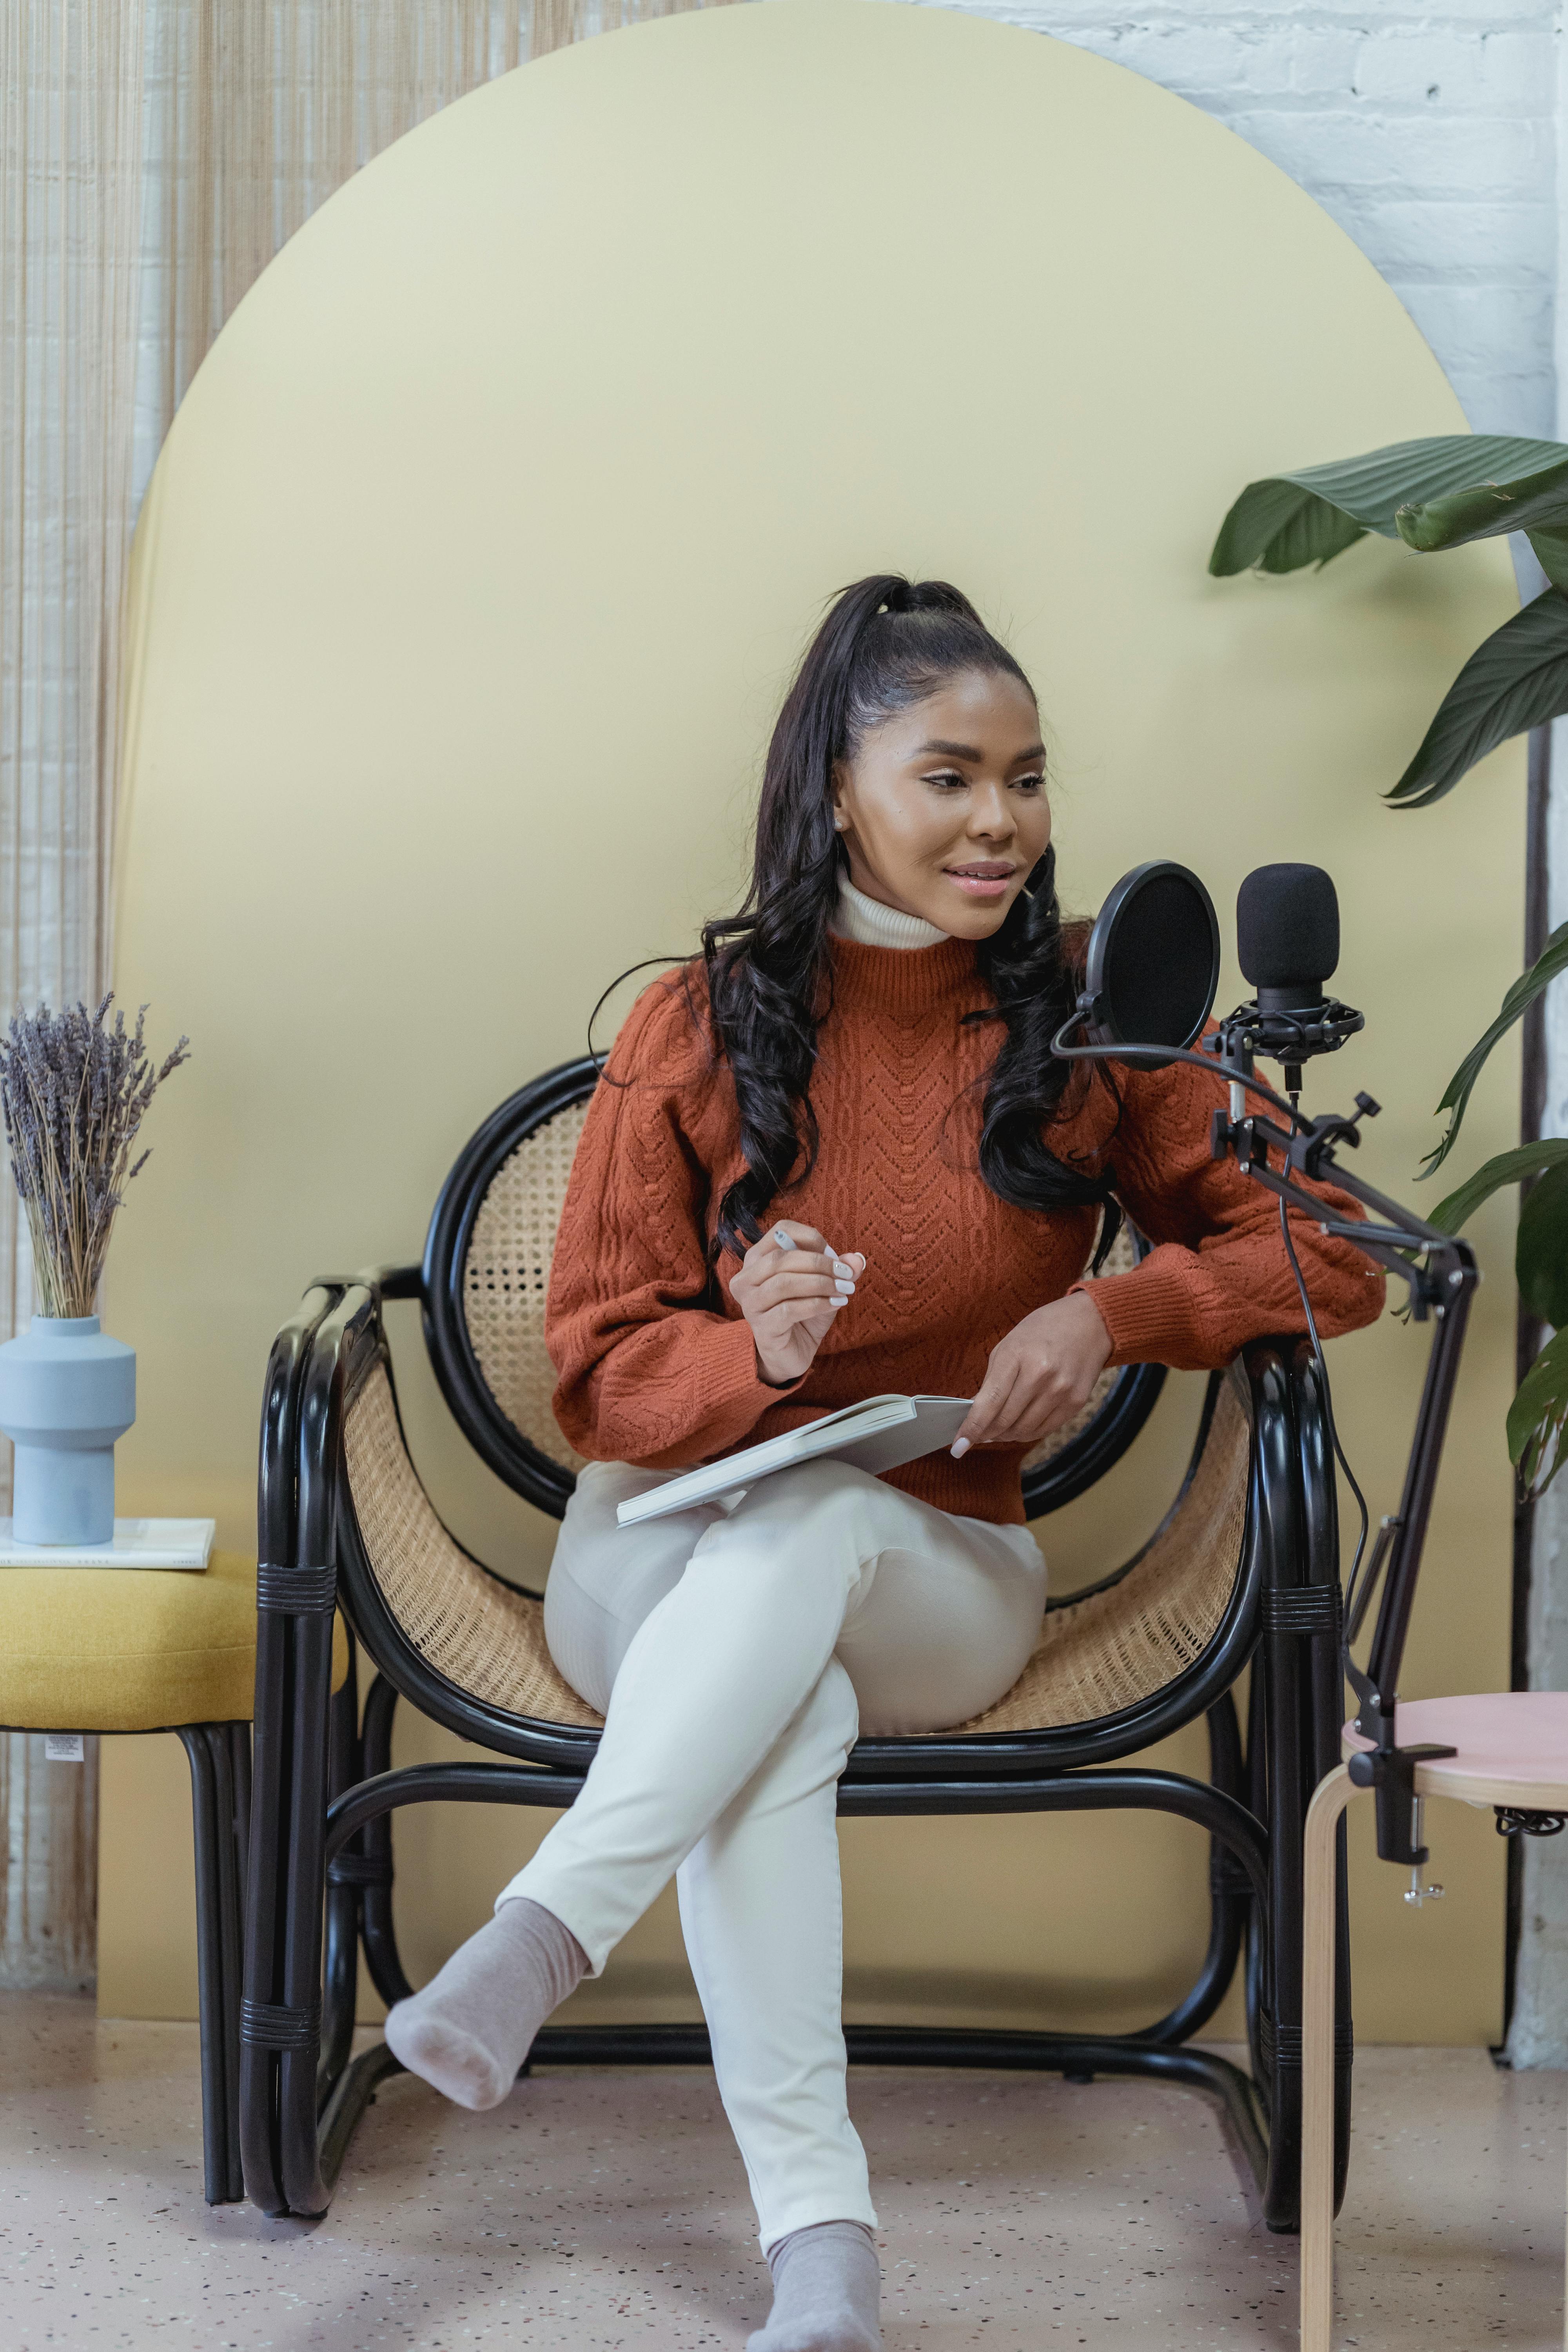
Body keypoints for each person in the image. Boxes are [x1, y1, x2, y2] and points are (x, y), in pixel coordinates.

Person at [386, 575, 1383, 2350]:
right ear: (837, 787)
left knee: (812, 1538)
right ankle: (820, 2259)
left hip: (939, 1572)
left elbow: (1339, 1250)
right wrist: (746, 1353)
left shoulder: (1097, 1015)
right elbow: (597, 1383)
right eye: (948, 776)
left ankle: (547, 1934)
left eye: (1026, 776)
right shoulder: (694, 1025)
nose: (1000, 820)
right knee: (778, 1672)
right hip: (656, 1560)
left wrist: (1117, 1314)